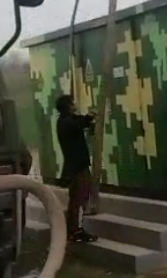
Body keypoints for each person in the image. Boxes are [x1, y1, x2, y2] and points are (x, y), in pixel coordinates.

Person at [55, 94, 98, 243]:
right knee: (79, 198)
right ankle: (76, 230)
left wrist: (89, 120)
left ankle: (73, 229)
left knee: (77, 198)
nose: (75, 105)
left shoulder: (66, 121)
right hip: (77, 166)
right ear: (68, 106)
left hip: (77, 165)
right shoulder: (65, 122)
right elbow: (80, 123)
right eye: (72, 103)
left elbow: (81, 122)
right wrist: (89, 117)